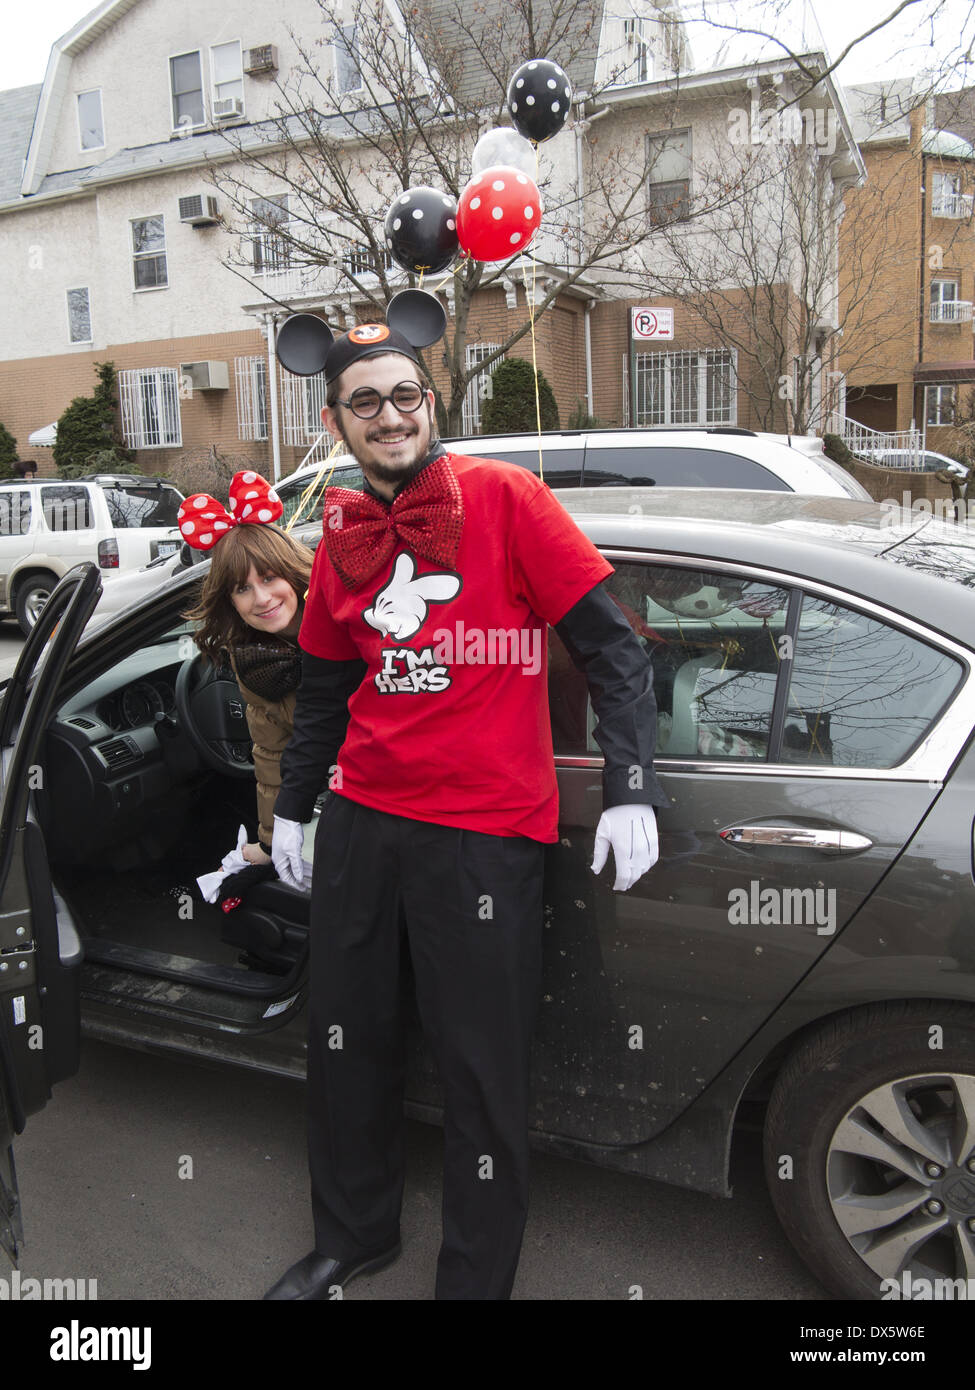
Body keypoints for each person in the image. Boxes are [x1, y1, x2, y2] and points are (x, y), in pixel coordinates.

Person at [265, 323, 669, 1301]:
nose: (392, 414)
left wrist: (631, 786)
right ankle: (351, 1236)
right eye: (367, 402)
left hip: (483, 837)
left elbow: (616, 653)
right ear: (336, 421)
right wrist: (295, 807)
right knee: (346, 1040)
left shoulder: (507, 500)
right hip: (362, 821)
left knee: (481, 1071)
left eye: (407, 394)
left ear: (431, 402)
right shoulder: (340, 529)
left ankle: (475, 1278)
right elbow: (322, 691)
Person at [180, 471, 315, 873]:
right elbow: (272, 756)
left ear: (291, 572)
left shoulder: (344, 623)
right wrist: (271, 844)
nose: (262, 598)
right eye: (242, 588)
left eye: (269, 577)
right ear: (230, 601)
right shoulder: (252, 660)